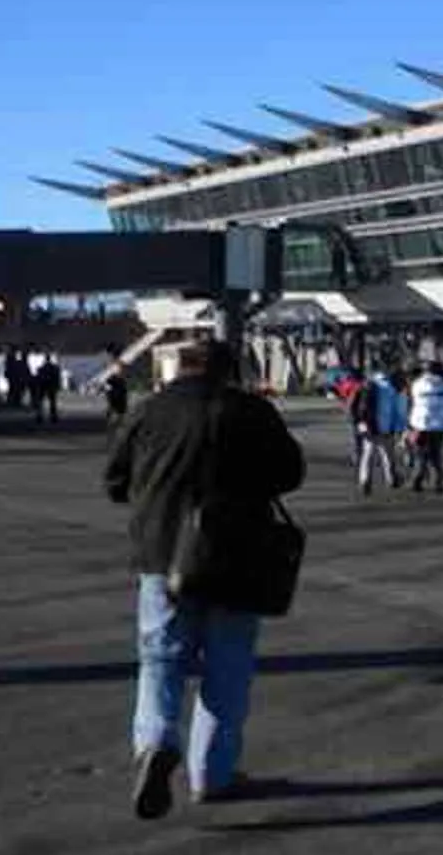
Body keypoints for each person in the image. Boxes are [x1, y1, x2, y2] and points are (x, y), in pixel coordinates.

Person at [102, 340, 304, 819]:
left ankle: (154, 743)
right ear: (230, 372)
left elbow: (114, 481)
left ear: (181, 369)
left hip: (162, 557)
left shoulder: (150, 411)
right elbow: (291, 473)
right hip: (236, 557)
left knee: (160, 661)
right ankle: (211, 776)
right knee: (227, 670)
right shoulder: (252, 411)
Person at [348, 366, 405, 496]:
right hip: (385, 427)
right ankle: (391, 479)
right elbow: (396, 411)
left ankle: (365, 481)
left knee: (367, 455)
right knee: (387, 455)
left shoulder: (366, 385)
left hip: (368, 426)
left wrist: (358, 423)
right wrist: (398, 428)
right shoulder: (391, 388)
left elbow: (353, 406)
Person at [407, 361, 443, 491]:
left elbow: (410, 404)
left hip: (419, 425)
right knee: (436, 455)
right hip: (439, 426)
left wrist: (407, 426)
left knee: (420, 455)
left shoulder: (416, 384)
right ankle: (437, 482)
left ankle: (417, 480)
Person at [103, 345, 131, 428]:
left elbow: (123, 373)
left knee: (117, 404)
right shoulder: (113, 363)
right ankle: (115, 421)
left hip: (117, 383)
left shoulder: (117, 363)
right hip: (115, 382)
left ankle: (116, 421)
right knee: (115, 404)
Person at [31, 353, 63, 425]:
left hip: (43, 386)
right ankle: (53, 416)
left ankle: (40, 416)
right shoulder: (54, 368)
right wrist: (57, 386)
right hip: (51, 386)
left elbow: (38, 378)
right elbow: (57, 378)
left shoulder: (41, 369)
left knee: (41, 402)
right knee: (52, 402)